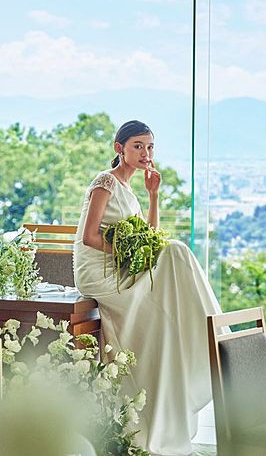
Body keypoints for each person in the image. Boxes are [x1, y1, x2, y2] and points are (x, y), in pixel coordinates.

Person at [73, 120, 221, 456]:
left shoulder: (130, 191)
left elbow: (150, 237)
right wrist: (129, 255)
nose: (145, 153)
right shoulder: (105, 182)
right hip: (98, 273)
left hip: (121, 268)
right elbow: (89, 237)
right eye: (138, 146)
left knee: (166, 316)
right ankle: (213, 330)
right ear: (119, 148)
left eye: (150, 147)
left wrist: (154, 195)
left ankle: (197, 340)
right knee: (176, 250)